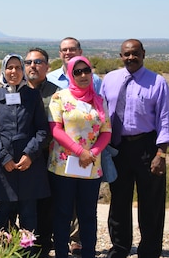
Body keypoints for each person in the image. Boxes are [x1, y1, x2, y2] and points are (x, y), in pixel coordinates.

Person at [101, 39, 169, 258]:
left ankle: (150, 251)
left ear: (143, 54)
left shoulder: (157, 82)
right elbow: (101, 115)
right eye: (126, 54)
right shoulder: (110, 80)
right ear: (121, 56)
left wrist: (161, 153)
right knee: (119, 200)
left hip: (147, 147)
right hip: (118, 148)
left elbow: (165, 119)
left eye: (135, 53)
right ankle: (120, 248)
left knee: (151, 203)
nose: (130, 58)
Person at [48, 56, 111, 258]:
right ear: (70, 74)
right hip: (63, 166)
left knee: (88, 215)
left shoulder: (99, 100)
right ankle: (60, 253)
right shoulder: (60, 97)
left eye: (87, 71)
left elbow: (106, 132)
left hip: (90, 167)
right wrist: (79, 151)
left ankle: (89, 253)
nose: (83, 75)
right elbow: (56, 130)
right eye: (78, 71)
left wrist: (90, 153)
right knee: (62, 213)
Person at [0, 54, 50, 238]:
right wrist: (4, 158)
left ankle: (28, 252)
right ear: (4, 70)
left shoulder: (33, 96)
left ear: (23, 71)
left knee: (29, 212)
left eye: (18, 67)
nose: (14, 72)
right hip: (4, 166)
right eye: (10, 67)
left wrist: (29, 154)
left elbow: (42, 130)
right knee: (3, 211)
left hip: (29, 164)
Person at [24, 48, 59, 258]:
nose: (32, 66)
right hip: (20, 158)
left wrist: (32, 151)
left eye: (38, 62)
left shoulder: (57, 93)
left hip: (45, 156)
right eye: (28, 62)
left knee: (46, 205)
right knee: (19, 205)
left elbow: (55, 128)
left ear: (47, 66)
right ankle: (20, 245)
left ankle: (43, 247)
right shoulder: (14, 89)